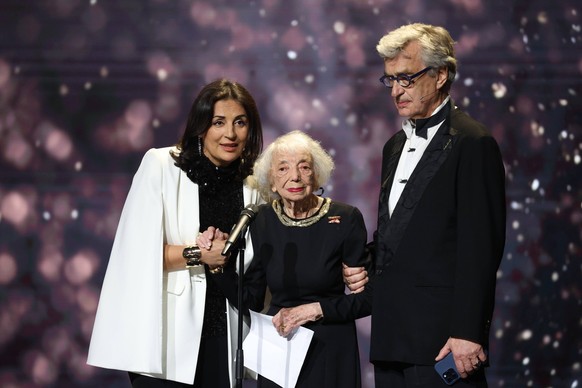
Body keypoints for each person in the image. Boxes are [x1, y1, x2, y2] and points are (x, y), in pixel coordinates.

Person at [344, 23, 506, 386]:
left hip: (443, 341)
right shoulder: (393, 146)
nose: (396, 91)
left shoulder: (473, 142)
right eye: (390, 80)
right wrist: (365, 262)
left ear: (441, 74)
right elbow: (406, 232)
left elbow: (481, 247)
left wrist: (468, 332)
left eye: (406, 78)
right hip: (390, 337)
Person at [87, 78, 265, 387]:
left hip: (229, 334)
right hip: (168, 339)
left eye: (240, 122)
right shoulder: (161, 165)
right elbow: (135, 254)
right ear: (200, 126)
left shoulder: (254, 184)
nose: (230, 134)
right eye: (218, 122)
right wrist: (199, 255)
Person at [201, 130, 372, 387]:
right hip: (280, 347)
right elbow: (251, 298)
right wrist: (218, 266)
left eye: (304, 167)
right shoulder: (261, 220)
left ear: (316, 174)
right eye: (283, 169)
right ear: (271, 180)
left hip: (329, 344)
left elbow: (366, 300)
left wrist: (314, 310)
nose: (295, 176)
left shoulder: (345, 218)